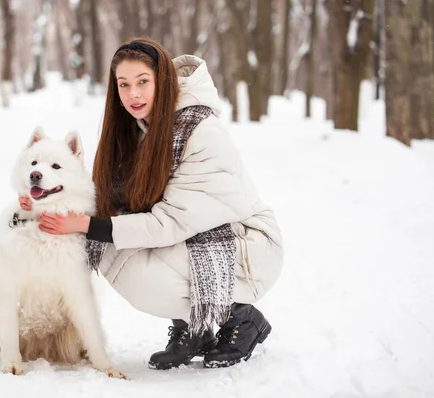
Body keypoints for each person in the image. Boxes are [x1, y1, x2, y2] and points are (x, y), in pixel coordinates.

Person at [18, 38, 283, 370]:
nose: (133, 95)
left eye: (143, 82)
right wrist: (46, 199)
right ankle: (195, 328)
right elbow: (107, 198)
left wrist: (86, 225)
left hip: (246, 246)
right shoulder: (139, 131)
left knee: (130, 263)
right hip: (196, 238)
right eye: (124, 85)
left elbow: (169, 223)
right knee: (113, 249)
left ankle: (241, 318)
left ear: (164, 80)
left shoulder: (201, 132)